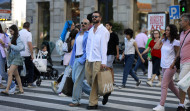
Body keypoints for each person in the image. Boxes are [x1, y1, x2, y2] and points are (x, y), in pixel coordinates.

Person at [85, 11, 110, 110]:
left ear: (100, 18)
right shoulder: (91, 30)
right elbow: (88, 45)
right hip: (89, 59)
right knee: (89, 80)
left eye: (96, 16)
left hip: (98, 60)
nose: (94, 18)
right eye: (93, 16)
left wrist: (104, 62)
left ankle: (93, 103)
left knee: (95, 82)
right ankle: (105, 92)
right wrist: (87, 57)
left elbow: (104, 47)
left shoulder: (104, 31)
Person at [153, 24, 180, 111]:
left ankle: (161, 105)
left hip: (171, 66)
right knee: (171, 86)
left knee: (164, 85)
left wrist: (174, 63)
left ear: (172, 31)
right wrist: (161, 38)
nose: (166, 31)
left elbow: (178, 53)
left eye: (168, 30)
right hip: (164, 66)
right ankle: (183, 100)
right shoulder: (164, 40)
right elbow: (155, 47)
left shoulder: (175, 42)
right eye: (166, 30)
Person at [68, 18, 91, 107]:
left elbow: (88, 49)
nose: (83, 24)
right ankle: (93, 92)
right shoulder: (77, 34)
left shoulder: (88, 35)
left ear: (88, 25)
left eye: (85, 23)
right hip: (76, 59)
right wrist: (72, 61)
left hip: (82, 59)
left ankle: (75, 100)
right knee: (75, 79)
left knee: (77, 80)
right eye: (82, 23)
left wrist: (82, 59)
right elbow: (74, 49)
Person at [1, 25, 24, 95]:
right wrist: (5, 45)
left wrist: (11, 45)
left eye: (11, 31)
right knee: (16, 74)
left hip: (17, 57)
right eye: (9, 31)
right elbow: (9, 47)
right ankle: (21, 89)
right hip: (13, 57)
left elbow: (20, 48)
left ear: (15, 30)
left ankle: (7, 89)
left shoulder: (18, 38)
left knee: (9, 73)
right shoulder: (12, 37)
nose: (10, 32)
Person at [176, 13, 190, 111]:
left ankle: (181, 105)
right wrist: (175, 61)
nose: (180, 22)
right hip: (181, 62)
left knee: (181, 82)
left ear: (187, 22)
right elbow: (180, 48)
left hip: (189, 62)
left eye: (181, 21)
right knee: (187, 85)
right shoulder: (181, 33)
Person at [0, 24, 16, 93]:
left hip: (1, 54)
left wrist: (3, 43)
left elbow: (8, 45)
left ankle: (12, 84)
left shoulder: (3, 35)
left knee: (2, 72)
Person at [19, 22, 34, 87]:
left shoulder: (19, 32)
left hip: (19, 54)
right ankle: (29, 82)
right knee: (31, 67)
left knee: (19, 69)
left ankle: (18, 83)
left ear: (23, 26)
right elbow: (29, 44)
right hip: (26, 54)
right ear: (28, 27)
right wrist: (32, 54)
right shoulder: (28, 33)